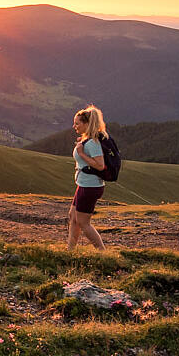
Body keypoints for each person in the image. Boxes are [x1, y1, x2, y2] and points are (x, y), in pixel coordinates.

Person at [68, 105, 112, 250]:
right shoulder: (88, 140)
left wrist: (81, 154)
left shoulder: (93, 142)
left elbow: (100, 165)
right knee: (73, 217)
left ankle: (102, 252)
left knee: (83, 222)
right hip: (84, 184)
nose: (74, 126)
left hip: (90, 186)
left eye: (77, 123)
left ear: (86, 124)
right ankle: (70, 250)